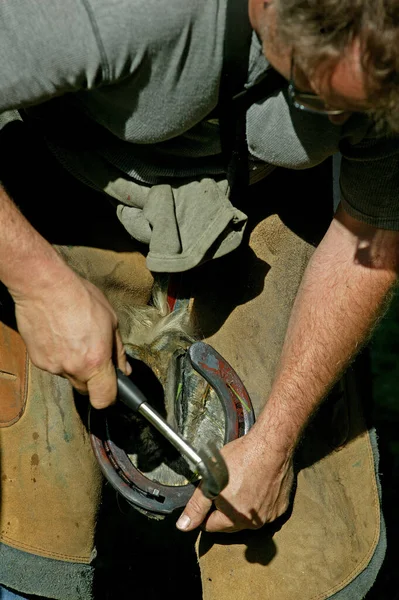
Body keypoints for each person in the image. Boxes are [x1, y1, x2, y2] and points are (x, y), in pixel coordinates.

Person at [0, 0, 398, 598]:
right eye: (322, 96)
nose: (344, 118)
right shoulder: (116, 13)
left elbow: (372, 229)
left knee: (295, 561)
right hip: (60, 190)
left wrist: (277, 440)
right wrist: (36, 284)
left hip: (263, 212)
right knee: (29, 524)